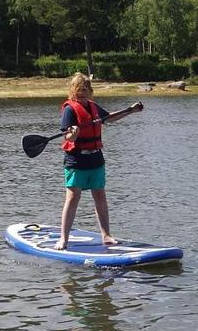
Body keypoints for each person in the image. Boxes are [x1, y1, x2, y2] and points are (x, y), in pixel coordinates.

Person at [54, 73, 143, 250]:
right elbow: (68, 137)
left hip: (96, 158)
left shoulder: (93, 106)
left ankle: (106, 235)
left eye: (85, 89)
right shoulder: (69, 110)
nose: (82, 92)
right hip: (76, 160)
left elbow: (108, 118)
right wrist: (74, 133)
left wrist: (130, 111)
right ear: (73, 90)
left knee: (100, 196)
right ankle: (63, 238)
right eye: (79, 89)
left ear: (90, 91)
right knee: (72, 198)